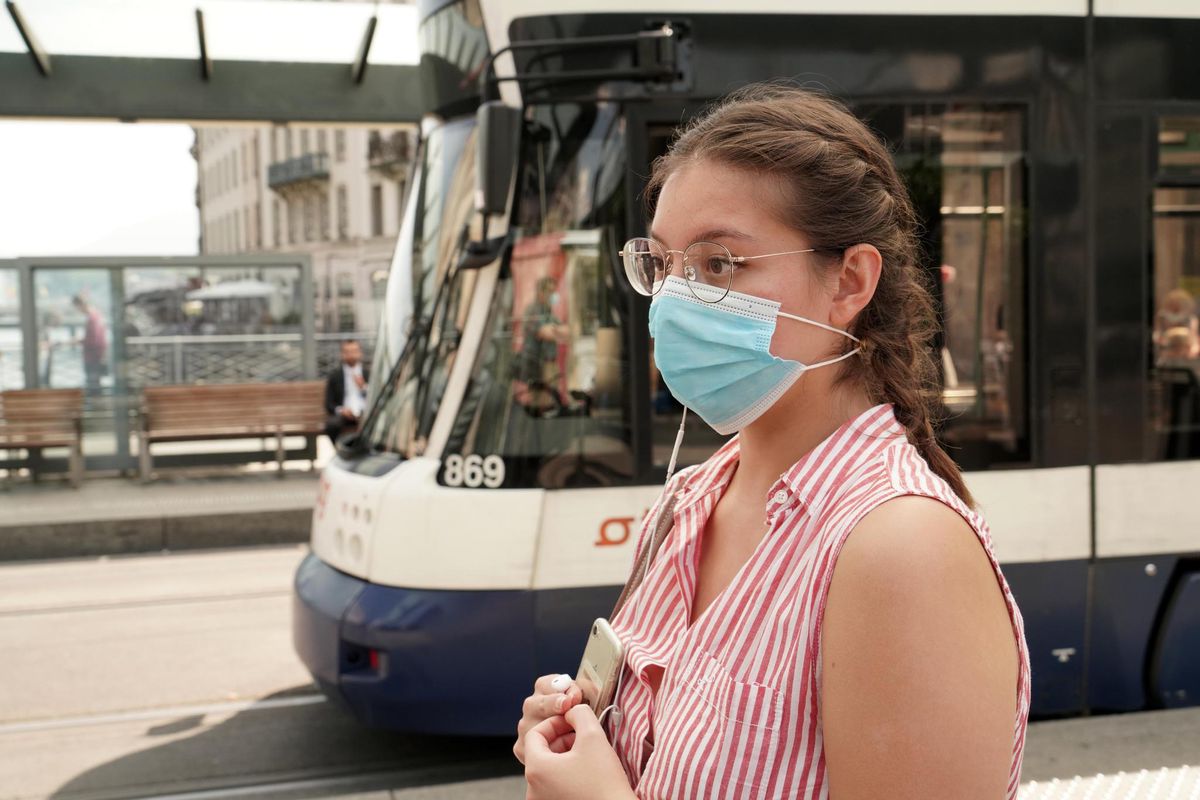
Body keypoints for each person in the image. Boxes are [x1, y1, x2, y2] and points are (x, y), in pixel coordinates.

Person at [515, 84, 1030, 799]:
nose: (674, 300)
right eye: (663, 264)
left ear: (849, 281)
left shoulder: (900, 549)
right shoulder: (688, 500)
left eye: (719, 264)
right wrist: (580, 746)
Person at [324, 339, 369, 444]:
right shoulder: (335, 376)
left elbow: (377, 398)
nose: (351, 355)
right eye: (347, 352)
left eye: (354, 351)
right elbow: (329, 404)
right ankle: (340, 449)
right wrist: (341, 410)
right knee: (332, 425)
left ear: (360, 353)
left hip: (365, 413)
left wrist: (363, 387)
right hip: (344, 415)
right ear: (342, 354)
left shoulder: (368, 373)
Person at [72, 294, 107, 394]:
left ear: (80, 305)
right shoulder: (97, 316)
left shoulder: (92, 318)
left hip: (93, 357)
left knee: (93, 387)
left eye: (77, 307)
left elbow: (93, 340)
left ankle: (96, 402)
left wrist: (78, 341)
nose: (78, 310)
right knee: (95, 385)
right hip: (97, 356)